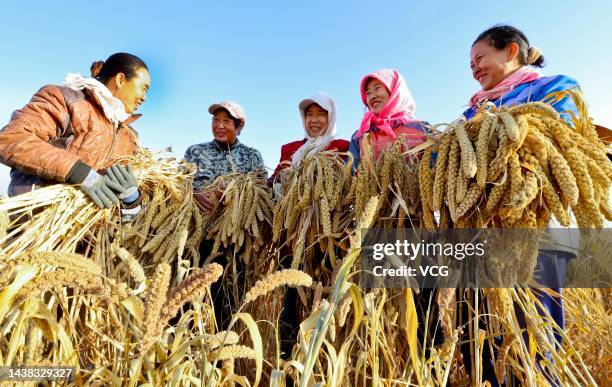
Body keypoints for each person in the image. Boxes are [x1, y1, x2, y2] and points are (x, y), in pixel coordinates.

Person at [463, 24, 583, 386]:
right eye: (470, 64)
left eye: (479, 58)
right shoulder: (473, 112)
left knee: (536, 338)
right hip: (488, 238)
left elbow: (558, 133)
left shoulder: (555, 87)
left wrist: (502, 129)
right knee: (487, 341)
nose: (474, 68)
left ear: (510, 51)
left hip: (540, 234)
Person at [0, 53, 150, 213]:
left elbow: (120, 210)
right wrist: (79, 172)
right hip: (40, 226)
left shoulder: (129, 137)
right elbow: (12, 139)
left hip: (90, 236)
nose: (145, 98)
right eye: (144, 88)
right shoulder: (67, 100)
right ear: (120, 79)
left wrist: (132, 200)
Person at [184, 101, 266, 213]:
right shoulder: (195, 151)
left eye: (226, 121)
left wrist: (233, 193)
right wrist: (193, 193)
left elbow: (262, 193)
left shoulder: (252, 155)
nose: (219, 126)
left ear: (240, 126)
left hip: (234, 226)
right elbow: (178, 183)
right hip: (196, 223)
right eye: (216, 120)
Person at [348, 69, 428, 169]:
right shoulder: (359, 137)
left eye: (377, 88)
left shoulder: (422, 129)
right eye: (368, 93)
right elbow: (351, 175)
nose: (372, 96)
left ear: (394, 90)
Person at [268, 92, 349, 185]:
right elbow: (272, 182)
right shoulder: (288, 149)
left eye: (320, 114)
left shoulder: (343, 147)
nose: (314, 120)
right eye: (309, 114)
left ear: (330, 117)